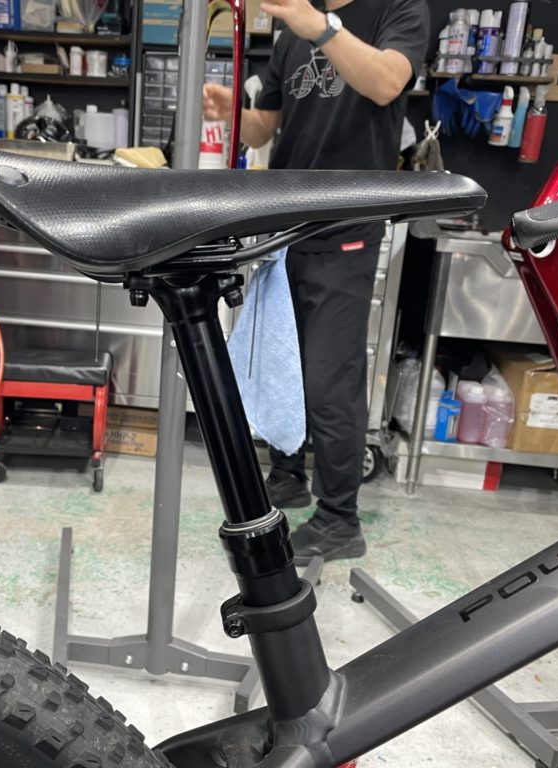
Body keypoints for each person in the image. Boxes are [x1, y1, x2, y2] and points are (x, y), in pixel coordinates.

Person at [204, 0, 429, 565]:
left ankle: (339, 519)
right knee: (284, 360)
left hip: (345, 226)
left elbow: (387, 83)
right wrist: (234, 110)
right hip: (286, 226)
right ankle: (288, 474)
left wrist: (321, 29)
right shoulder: (291, 35)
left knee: (331, 378)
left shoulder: (398, 9)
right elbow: (267, 126)